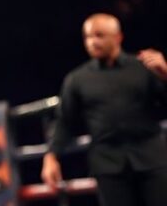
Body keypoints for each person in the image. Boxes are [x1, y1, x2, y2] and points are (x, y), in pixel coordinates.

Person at [41, 12, 167, 206]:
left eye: (99, 35)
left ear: (118, 37)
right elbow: (65, 121)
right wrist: (51, 156)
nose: (92, 42)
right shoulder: (77, 79)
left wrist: (165, 74)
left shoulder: (143, 67)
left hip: (151, 158)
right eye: (87, 37)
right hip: (108, 164)